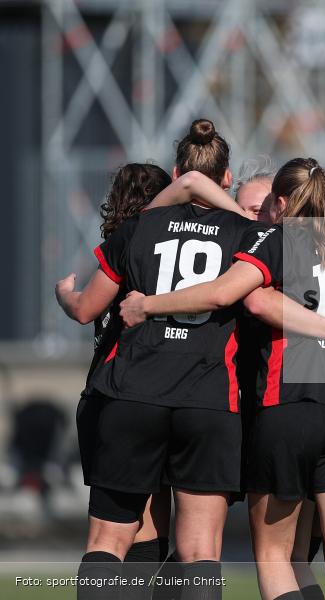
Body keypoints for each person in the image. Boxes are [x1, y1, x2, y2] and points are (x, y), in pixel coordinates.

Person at [118, 158, 325, 600]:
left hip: (291, 403)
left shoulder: (278, 238)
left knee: (274, 555)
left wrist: (148, 305)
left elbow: (230, 295)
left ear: (283, 203)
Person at [68, 119, 253, 600]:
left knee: (109, 541)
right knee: (199, 549)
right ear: (228, 179)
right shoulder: (244, 234)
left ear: (175, 172)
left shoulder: (139, 226)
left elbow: (87, 307)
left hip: (133, 393)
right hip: (208, 397)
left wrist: (64, 296)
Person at [54, 162, 209, 599]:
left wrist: (64, 294)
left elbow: (84, 308)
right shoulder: (154, 253)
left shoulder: (116, 251)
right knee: (149, 530)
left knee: (114, 532)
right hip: (160, 392)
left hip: (111, 398)